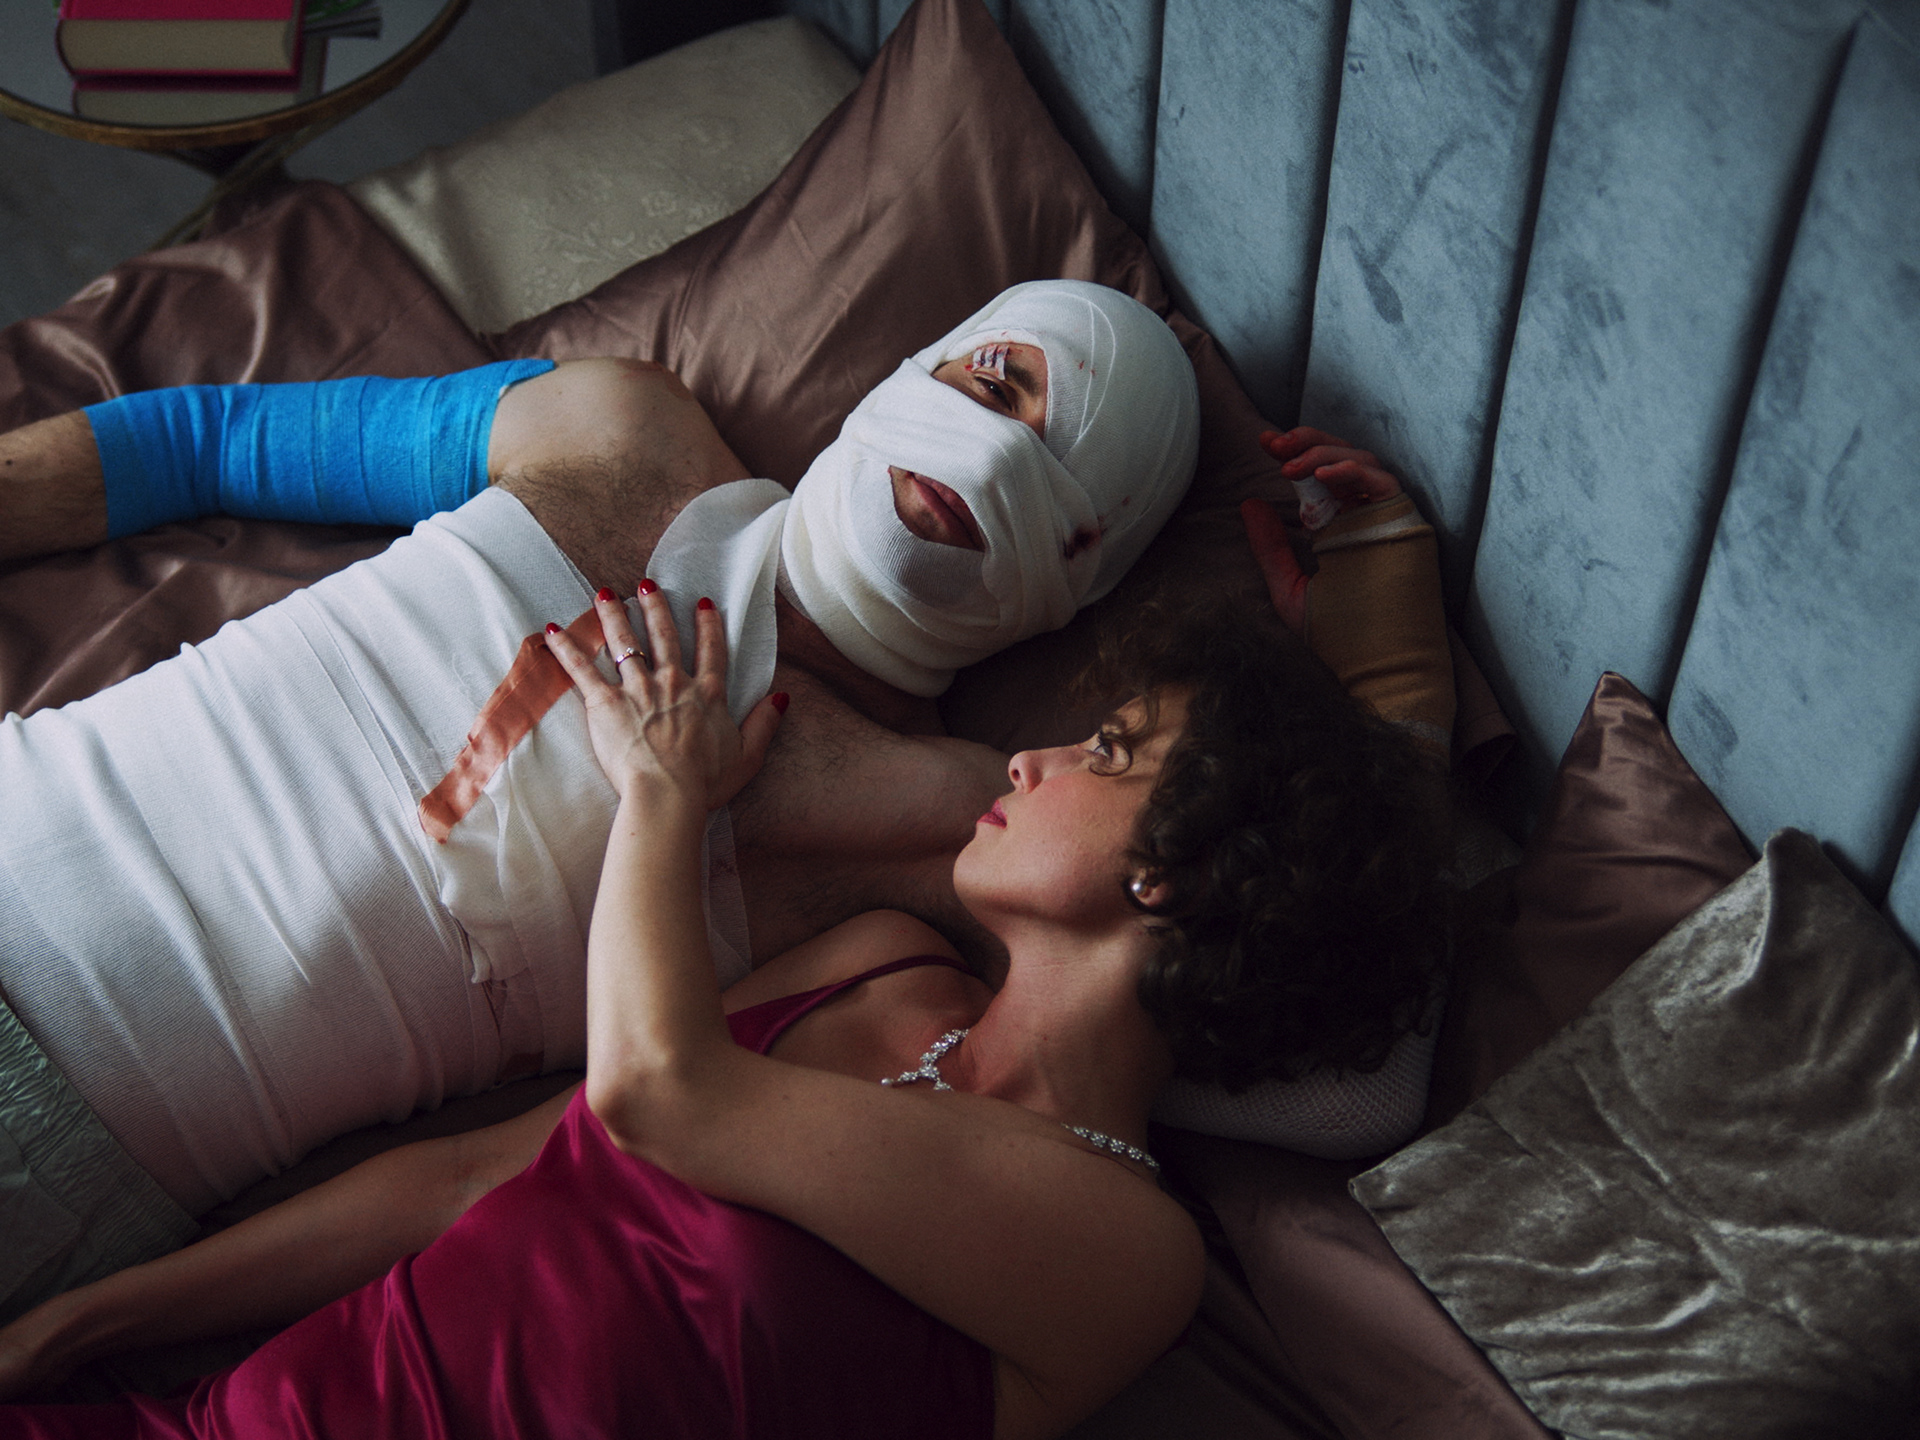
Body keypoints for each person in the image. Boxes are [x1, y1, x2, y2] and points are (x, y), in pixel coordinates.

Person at [0, 550, 1449, 1438]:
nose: (1033, 757)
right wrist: (77, 1329)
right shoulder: (879, 963)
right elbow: (462, 1181)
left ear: (1183, 871)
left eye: (1109, 754)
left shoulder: (1128, 1249)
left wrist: (662, 792)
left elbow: (657, 1092)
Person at [0, 282, 1212, 1321]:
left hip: (73, 1144)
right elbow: (204, 443)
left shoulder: (948, 824)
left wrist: (1327, 620)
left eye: (1068, 485)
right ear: (918, 368)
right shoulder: (619, 427)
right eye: (996, 384)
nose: (993, 461)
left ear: (1086, 580)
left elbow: (1261, 1004)